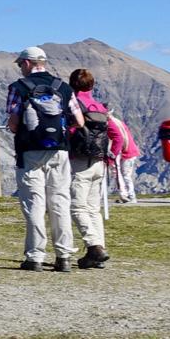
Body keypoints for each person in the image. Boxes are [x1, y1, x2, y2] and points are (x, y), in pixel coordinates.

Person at [5, 46, 83, 271]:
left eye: (21, 64)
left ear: (28, 63)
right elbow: (78, 120)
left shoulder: (18, 88)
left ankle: (35, 257)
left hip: (29, 152)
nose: (21, 68)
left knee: (34, 204)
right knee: (60, 202)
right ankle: (64, 256)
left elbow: (13, 123)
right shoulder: (64, 88)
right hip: (59, 150)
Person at [65, 69, 113, 268]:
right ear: (92, 86)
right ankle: (96, 254)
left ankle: (94, 247)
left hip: (80, 161)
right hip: (99, 162)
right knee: (94, 209)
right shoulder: (100, 107)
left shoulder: (74, 104)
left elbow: (70, 129)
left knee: (77, 207)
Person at [109, 109, 142, 205]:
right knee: (123, 174)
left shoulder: (112, 124)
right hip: (128, 151)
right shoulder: (118, 122)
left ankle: (131, 196)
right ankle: (126, 195)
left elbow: (118, 139)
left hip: (127, 152)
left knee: (125, 175)